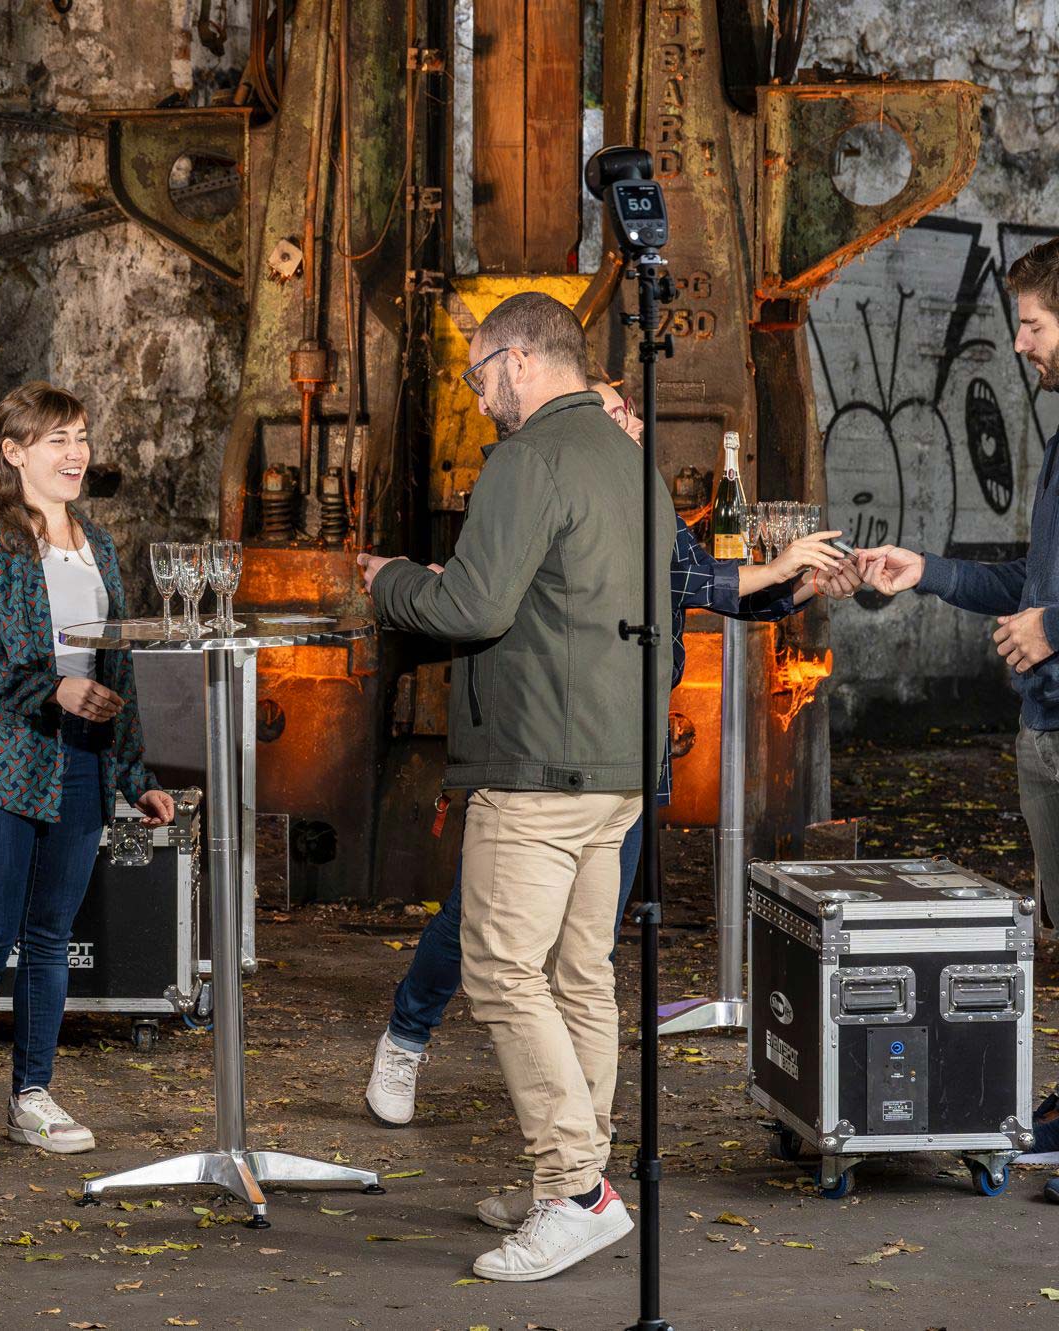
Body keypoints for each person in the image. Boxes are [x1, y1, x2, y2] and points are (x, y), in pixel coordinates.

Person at [364, 381, 862, 1136]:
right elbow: (480, 597)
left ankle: (571, 1154)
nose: (621, 419)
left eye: (626, 409)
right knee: (477, 924)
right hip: (537, 758)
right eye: (605, 409)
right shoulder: (538, 484)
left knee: (586, 958)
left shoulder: (642, 501)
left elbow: (701, 583)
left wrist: (796, 582)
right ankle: (408, 1036)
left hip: (622, 764)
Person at [355, 292, 667, 1281]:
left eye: (478, 371)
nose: (477, 392)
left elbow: (472, 604)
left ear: (520, 358)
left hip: (535, 763)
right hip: (618, 765)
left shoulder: (525, 459)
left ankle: (574, 1190)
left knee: (497, 970)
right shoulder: (633, 462)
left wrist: (388, 576)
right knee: (577, 974)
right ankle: (568, 1177)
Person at [855, 235, 1059, 1191]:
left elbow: (1048, 603)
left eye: (1034, 325)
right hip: (1047, 733)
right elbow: (1029, 579)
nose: (1021, 345)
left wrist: (1054, 626)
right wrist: (925, 570)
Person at [0, 381, 178, 1160]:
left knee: (48, 938)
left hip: (81, 763)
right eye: (56, 440)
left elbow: (119, 667)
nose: (75, 454)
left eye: (80, 437)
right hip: (2, 762)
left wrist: (137, 773)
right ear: (13, 452)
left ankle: (31, 1094)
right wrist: (53, 688)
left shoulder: (99, 545)